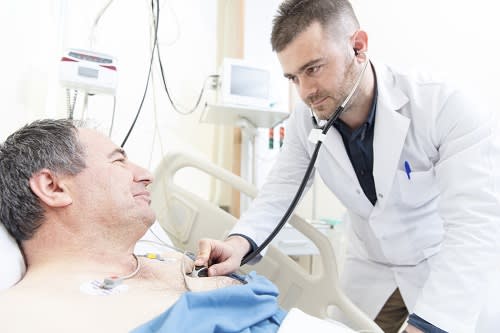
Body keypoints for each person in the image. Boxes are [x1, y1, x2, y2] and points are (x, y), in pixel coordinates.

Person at [195, 1, 500, 333]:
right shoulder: (306, 119)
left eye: (313, 69)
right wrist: (239, 242)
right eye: (293, 77)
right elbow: (281, 190)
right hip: (371, 267)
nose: (305, 92)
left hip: (441, 267)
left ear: (358, 47)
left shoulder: (443, 105)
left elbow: (475, 224)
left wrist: (431, 324)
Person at [0, 119, 355, 333]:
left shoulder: (159, 259)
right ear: (54, 187)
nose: (145, 175)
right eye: (119, 161)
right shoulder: (23, 313)